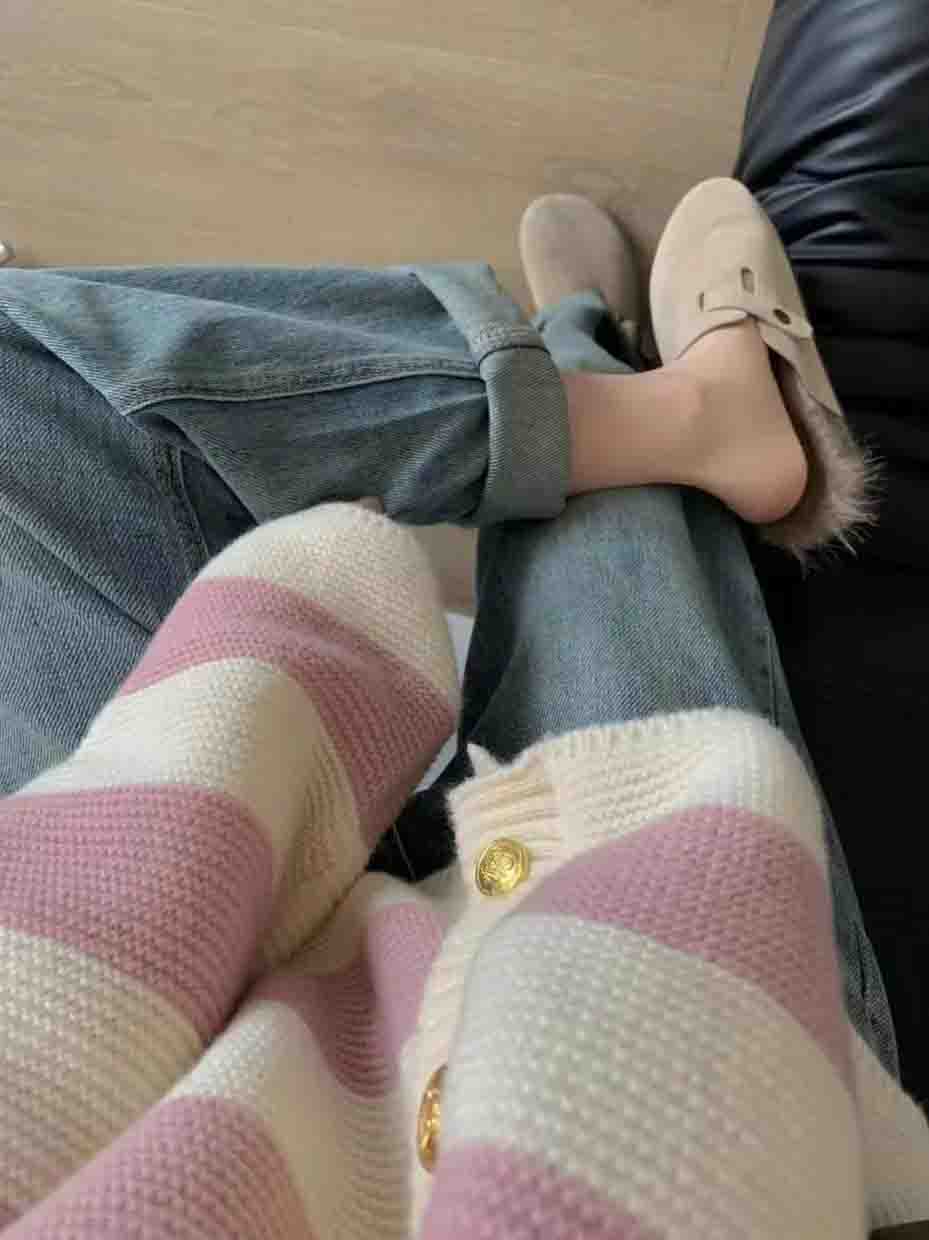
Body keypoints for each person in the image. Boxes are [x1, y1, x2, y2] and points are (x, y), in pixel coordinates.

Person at [0, 0, 926, 1231]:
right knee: (597, 581)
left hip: (173, 995)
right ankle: (599, 361)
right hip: (674, 1062)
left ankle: (602, 369)